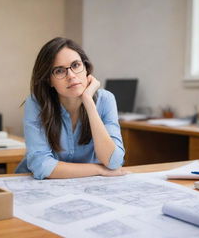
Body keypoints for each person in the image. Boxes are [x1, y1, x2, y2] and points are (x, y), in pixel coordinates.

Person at [16, 37, 127, 179]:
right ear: (48, 80)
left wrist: (88, 102)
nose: (71, 76)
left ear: (86, 68)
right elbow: (41, 165)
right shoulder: (36, 103)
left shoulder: (105, 99)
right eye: (59, 71)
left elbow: (114, 162)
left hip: (86, 186)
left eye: (75, 65)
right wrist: (99, 169)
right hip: (39, 185)